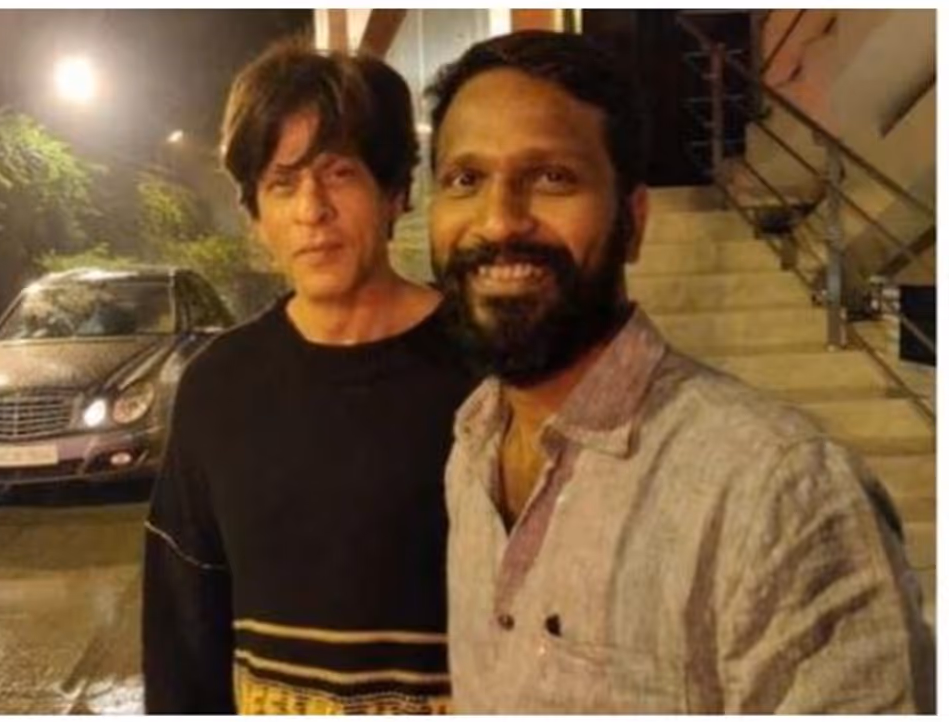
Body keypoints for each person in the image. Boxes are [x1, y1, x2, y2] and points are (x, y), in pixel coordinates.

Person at [425, 30, 934, 714]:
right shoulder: (470, 449)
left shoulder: (779, 495)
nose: (498, 221)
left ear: (634, 222)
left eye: (552, 177)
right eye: (465, 179)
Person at [142, 39, 477, 714]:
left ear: (395, 192)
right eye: (282, 183)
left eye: (339, 173)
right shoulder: (217, 388)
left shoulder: (485, 370)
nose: (311, 209)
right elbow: (184, 631)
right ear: (255, 216)